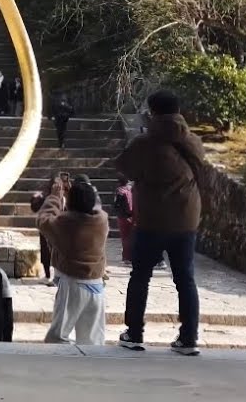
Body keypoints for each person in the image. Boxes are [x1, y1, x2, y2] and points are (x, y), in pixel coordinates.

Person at [113, 89, 205, 356]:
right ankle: (188, 338)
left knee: (140, 276)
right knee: (185, 278)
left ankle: (134, 333)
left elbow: (124, 167)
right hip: (186, 219)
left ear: (152, 112)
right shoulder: (193, 141)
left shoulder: (145, 143)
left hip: (152, 220)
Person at [37, 174, 110, 346]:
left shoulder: (67, 223)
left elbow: (43, 220)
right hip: (96, 284)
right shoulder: (102, 220)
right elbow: (87, 206)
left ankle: (64, 363)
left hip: (73, 285)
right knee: (92, 341)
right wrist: (75, 194)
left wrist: (55, 196)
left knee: (58, 338)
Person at [29, 180, 56, 287]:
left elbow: (35, 208)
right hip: (51, 227)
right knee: (47, 252)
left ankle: (52, 276)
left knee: (50, 252)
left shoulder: (46, 196)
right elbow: (35, 207)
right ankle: (50, 275)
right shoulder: (45, 196)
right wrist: (35, 198)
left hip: (51, 227)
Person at [114, 175, 137, 264]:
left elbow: (117, 206)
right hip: (133, 216)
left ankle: (127, 257)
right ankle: (133, 256)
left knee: (125, 237)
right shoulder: (132, 189)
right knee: (132, 237)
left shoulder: (119, 191)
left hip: (123, 217)